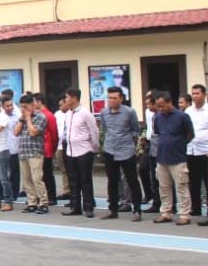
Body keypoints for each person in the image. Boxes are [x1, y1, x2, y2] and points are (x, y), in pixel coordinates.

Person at [98, 86, 143, 220]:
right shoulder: (104, 113)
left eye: (114, 98)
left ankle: (137, 210)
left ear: (121, 99)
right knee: (112, 181)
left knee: (132, 181)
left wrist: (131, 144)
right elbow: (104, 129)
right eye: (109, 98)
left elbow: (135, 130)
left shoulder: (129, 112)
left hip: (126, 150)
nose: (111, 101)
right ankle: (112, 209)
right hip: (110, 149)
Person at [153, 92, 194, 225]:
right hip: (162, 157)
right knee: (164, 187)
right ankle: (166, 213)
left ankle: (184, 214)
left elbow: (190, 134)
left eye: (162, 105)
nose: (160, 108)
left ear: (169, 102)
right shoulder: (158, 117)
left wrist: (180, 144)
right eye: (158, 106)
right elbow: (158, 133)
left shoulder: (182, 116)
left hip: (178, 157)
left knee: (181, 187)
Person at [62, 88, 99, 217]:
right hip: (71, 151)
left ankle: (88, 207)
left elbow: (94, 131)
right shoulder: (68, 114)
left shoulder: (85, 113)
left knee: (85, 180)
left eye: (67, 97)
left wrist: (94, 148)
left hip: (84, 151)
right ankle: (75, 206)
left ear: (74, 98)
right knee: (73, 181)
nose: (66, 100)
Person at [14, 94, 50, 214]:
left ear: (33, 105)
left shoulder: (41, 117)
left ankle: (43, 203)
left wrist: (28, 118)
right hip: (23, 152)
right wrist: (22, 119)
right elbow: (16, 132)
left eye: (25, 106)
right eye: (21, 107)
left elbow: (33, 132)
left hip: (35, 152)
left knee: (37, 179)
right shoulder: (22, 118)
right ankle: (32, 203)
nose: (23, 109)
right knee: (27, 180)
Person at [31, 93, 59, 205]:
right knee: (38, 175)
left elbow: (54, 134)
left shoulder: (48, 115)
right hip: (37, 148)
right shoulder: (35, 114)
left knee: (47, 174)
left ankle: (51, 197)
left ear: (39, 102)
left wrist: (53, 148)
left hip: (46, 148)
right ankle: (40, 196)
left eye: (33, 101)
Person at [187, 84, 208, 224]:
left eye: (197, 93)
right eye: (193, 93)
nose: (195, 96)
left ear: (204, 95)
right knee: (193, 181)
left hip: (205, 151)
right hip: (191, 150)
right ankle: (195, 208)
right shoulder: (189, 110)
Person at [0, 92, 21, 201]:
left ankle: (14, 193)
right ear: (2, 106)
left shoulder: (18, 114)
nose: (10, 108)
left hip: (14, 147)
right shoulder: (0, 116)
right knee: (2, 173)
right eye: (7, 106)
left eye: (11, 105)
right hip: (2, 147)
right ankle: (2, 193)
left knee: (14, 172)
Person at [53, 96, 72, 204]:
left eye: (62, 105)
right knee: (63, 170)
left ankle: (71, 191)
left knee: (70, 170)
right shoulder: (57, 114)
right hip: (59, 146)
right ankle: (66, 190)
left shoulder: (71, 113)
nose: (60, 107)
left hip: (70, 146)